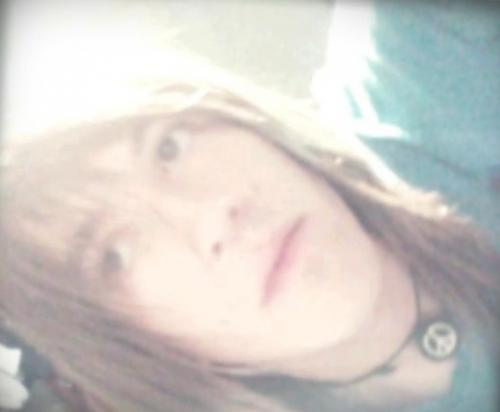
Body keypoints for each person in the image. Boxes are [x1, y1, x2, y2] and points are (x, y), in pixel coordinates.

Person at [0, 55, 499, 412]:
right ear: (120, 346)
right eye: (116, 255)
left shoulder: (426, 69)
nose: (208, 213)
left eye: (169, 147)